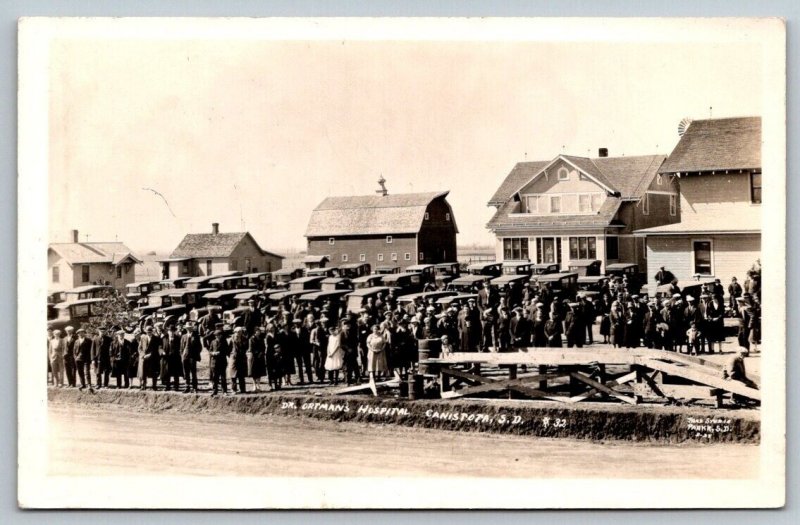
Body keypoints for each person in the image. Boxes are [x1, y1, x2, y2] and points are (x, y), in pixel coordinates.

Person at [180, 324, 202, 393]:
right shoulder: (184, 336)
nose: (188, 329)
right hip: (185, 356)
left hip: (192, 356)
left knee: (193, 372)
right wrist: (182, 355)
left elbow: (199, 347)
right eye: (187, 328)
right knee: (186, 372)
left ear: (192, 329)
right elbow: (181, 347)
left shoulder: (196, 336)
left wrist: (196, 354)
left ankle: (195, 387)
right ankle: (187, 386)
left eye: (190, 328)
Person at [137, 325, 160, 391]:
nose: (148, 333)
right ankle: (143, 385)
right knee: (144, 372)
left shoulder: (156, 338)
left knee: (154, 372)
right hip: (144, 358)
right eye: (147, 332)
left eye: (150, 332)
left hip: (153, 358)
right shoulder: (142, 338)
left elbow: (157, 349)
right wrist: (143, 355)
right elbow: (140, 348)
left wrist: (151, 354)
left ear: (152, 332)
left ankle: (154, 385)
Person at [208, 329, 230, 396]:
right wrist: (213, 353)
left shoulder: (224, 342)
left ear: (221, 335)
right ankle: (215, 390)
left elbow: (227, 351)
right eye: (216, 335)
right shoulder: (213, 342)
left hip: (222, 362)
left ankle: (224, 391)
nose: (217, 336)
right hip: (214, 362)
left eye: (218, 335)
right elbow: (210, 351)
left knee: (223, 377)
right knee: (215, 378)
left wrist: (220, 353)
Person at [229, 327, 248, 394]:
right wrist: (232, 355)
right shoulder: (231, 339)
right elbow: (228, 348)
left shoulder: (244, 339)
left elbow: (246, 347)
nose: (238, 334)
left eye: (239, 332)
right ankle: (234, 389)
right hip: (234, 358)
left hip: (242, 357)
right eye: (236, 332)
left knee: (241, 374)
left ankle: (243, 389)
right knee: (233, 374)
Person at [247, 326, 267, 392]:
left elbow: (263, 347)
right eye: (257, 331)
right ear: (255, 332)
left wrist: (262, 353)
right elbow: (251, 348)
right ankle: (254, 385)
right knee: (254, 372)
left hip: (260, 357)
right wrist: (257, 353)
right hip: (254, 357)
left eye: (259, 331)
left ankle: (258, 384)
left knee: (259, 371)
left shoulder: (261, 338)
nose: (259, 332)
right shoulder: (251, 339)